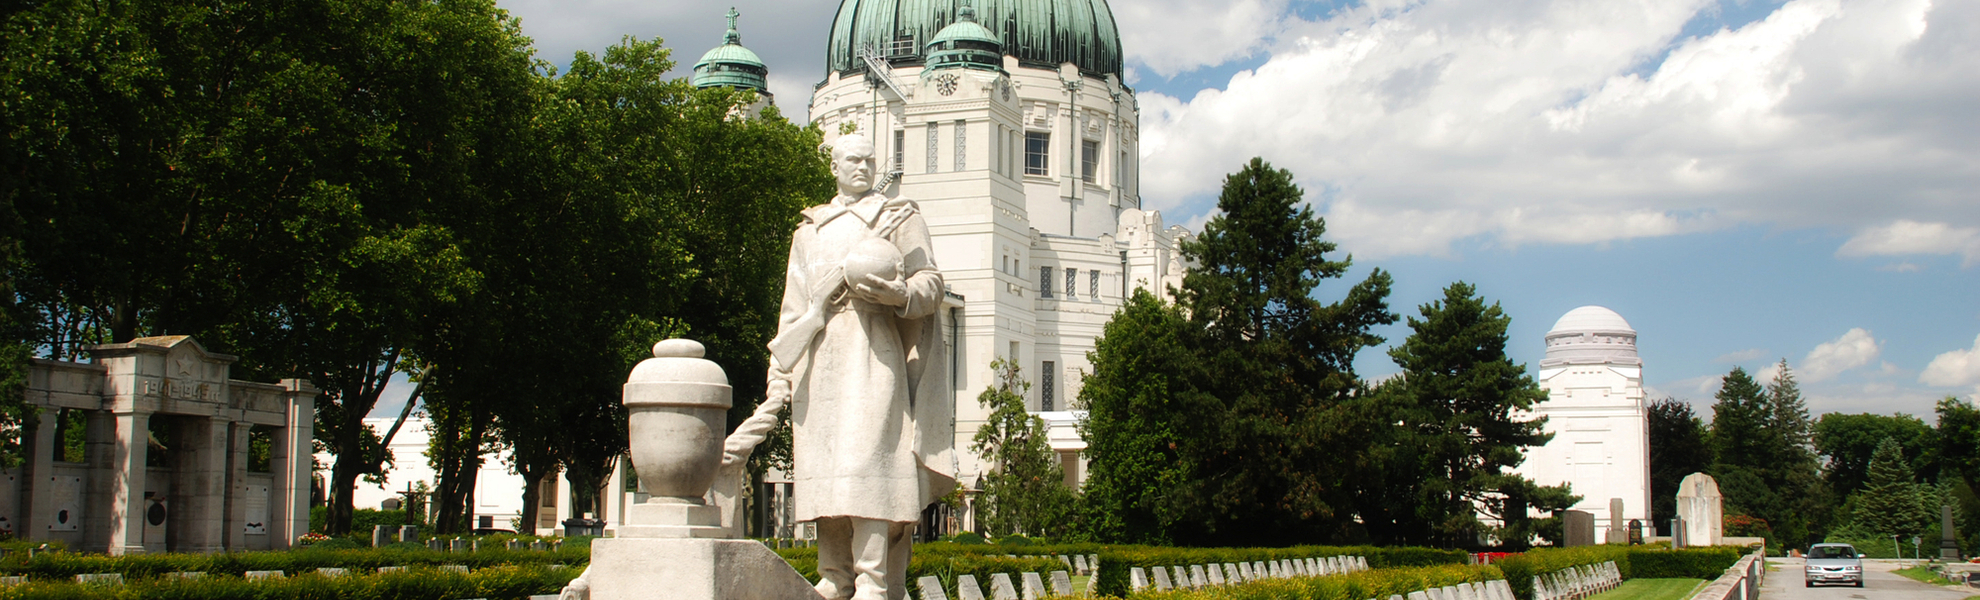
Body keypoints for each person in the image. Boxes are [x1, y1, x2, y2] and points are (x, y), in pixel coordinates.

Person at [766, 132, 954, 600]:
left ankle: (872, 579)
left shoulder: (897, 217)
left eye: (871, 160)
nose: (863, 167)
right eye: (853, 160)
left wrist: (902, 295)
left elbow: (931, 280)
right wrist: (779, 372)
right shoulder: (810, 230)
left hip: (876, 350)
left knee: (869, 460)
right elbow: (793, 308)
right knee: (826, 465)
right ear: (834, 166)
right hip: (819, 354)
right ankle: (834, 574)